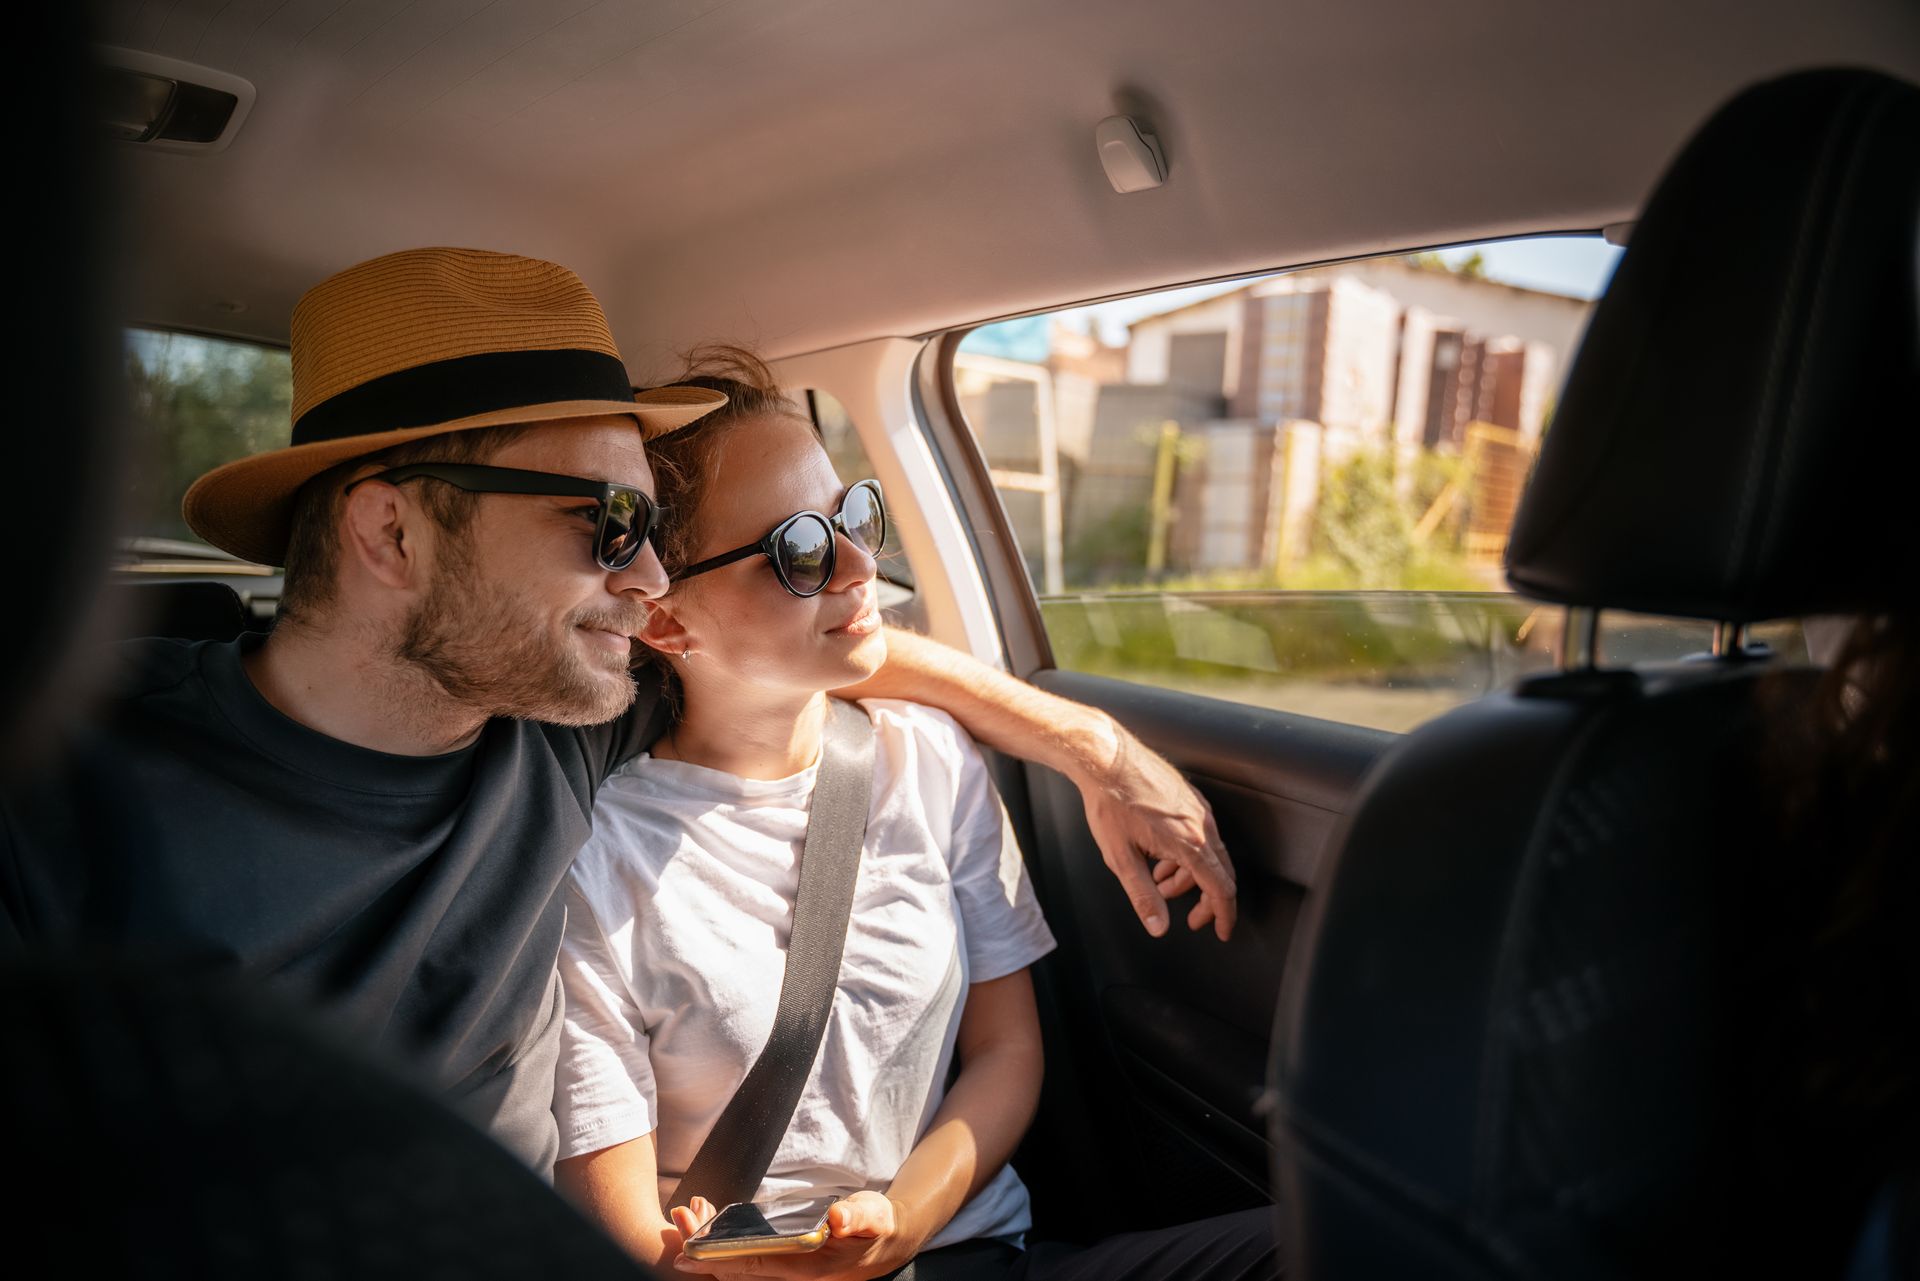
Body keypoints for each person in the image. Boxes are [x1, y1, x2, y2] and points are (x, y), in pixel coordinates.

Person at [0, 247, 1237, 1177]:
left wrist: (1096, 745)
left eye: (653, 531)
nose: (649, 586)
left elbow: (841, 650)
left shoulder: (562, 718)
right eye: (607, 526)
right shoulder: (67, 802)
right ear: (391, 530)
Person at [551, 348, 1277, 1281]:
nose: (863, 564)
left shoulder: (929, 756)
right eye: (800, 550)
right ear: (664, 620)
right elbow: (618, 1220)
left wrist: (903, 1218)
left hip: (975, 1252)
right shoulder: (602, 854)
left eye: (855, 514)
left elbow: (1007, 1048)